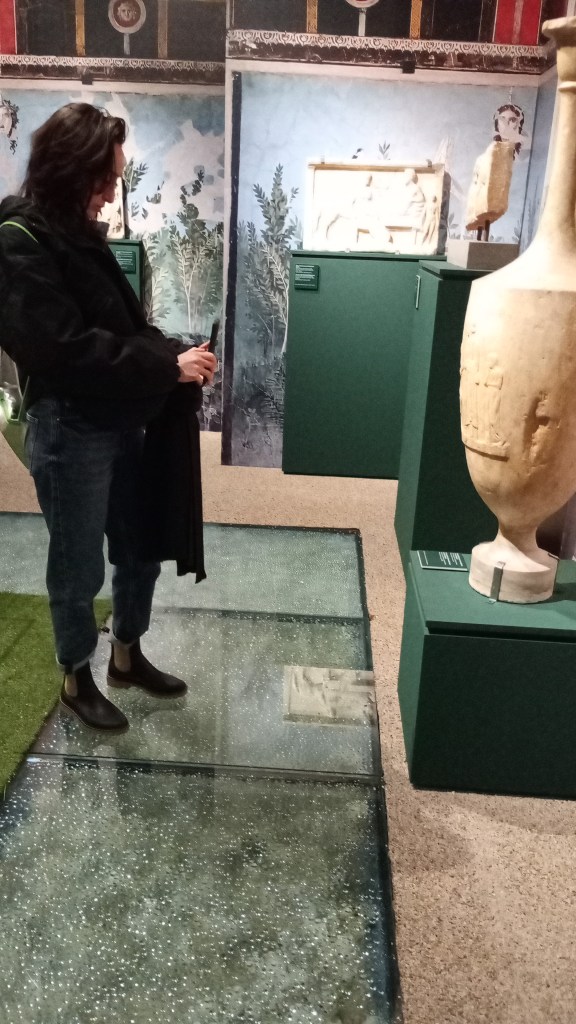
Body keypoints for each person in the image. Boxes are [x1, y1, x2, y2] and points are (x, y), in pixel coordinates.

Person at [0, 102, 217, 732]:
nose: (110, 193)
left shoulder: (74, 232)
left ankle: (126, 654)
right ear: (73, 171)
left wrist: (176, 353)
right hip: (70, 429)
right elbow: (64, 350)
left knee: (138, 547)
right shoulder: (19, 241)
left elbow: (120, 329)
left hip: (117, 420)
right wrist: (164, 367)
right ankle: (76, 677)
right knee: (78, 566)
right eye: (105, 180)